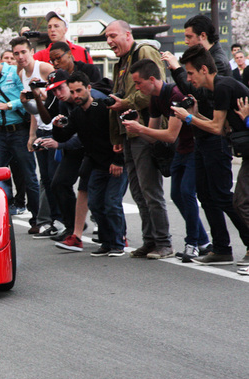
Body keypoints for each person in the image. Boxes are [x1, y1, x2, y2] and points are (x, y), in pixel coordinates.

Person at [168, 44, 249, 267]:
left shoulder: (222, 86)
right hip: (222, 144)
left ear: (204, 69)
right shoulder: (216, 89)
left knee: (230, 198)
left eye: (191, 73)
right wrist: (194, 114)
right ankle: (222, 248)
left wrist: (188, 118)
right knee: (207, 194)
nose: (189, 79)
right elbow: (219, 126)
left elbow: (215, 129)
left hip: (224, 147)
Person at [122, 59, 210, 262]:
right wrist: (136, 125)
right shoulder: (154, 97)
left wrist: (140, 129)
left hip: (194, 148)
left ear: (152, 79)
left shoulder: (175, 95)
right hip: (181, 150)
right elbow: (153, 136)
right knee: (177, 195)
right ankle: (204, 241)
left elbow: (170, 135)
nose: (136, 88)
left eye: (138, 83)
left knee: (187, 193)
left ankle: (192, 243)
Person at [105, 20, 173, 259]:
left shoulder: (143, 51)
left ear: (127, 34)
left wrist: (126, 104)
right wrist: (117, 136)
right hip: (128, 133)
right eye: (107, 37)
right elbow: (118, 100)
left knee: (150, 190)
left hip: (146, 130)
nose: (109, 41)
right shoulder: (120, 62)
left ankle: (163, 242)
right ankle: (149, 240)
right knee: (137, 190)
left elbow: (153, 90)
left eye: (113, 35)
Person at [52, 71, 127, 256]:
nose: (76, 95)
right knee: (95, 204)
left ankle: (118, 243)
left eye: (79, 90)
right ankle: (107, 242)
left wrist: (118, 160)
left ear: (89, 88)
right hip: (97, 164)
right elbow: (64, 135)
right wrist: (56, 125)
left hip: (116, 163)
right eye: (73, 92)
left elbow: (121, 133)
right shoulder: (77, 113)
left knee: (111, 203)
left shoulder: (103, 107)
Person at [0, 42, 41, 232]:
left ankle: (37, 219)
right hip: (0, 132)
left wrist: (8, 105)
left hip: (20, 130)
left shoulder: (15, 72)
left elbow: (27, 99)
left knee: (29, 176)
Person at [11, 36, 62, 237]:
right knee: (47, 179)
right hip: (41, 129)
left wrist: (42, 94)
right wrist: (32, 135)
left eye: (23, 52)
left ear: (31, 51)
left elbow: (58, 96)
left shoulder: (44, 68)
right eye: (16, 53)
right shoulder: (21, 72)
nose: (20, 57)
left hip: (55, 128)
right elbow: (33, 109)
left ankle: (63, 219)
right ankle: (50, 221)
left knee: (57, 178)